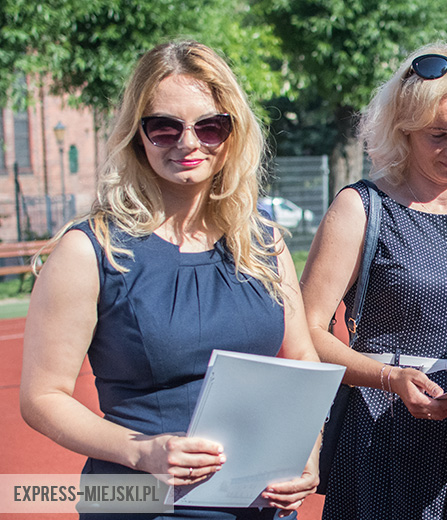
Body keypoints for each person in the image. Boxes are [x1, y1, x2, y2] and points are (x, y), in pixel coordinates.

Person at [20, 40, 320, 520]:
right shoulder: (91, 249)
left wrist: (307, 451)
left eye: (210, 126)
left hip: (257, 504)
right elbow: (42, 397)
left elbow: (301, 359)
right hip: (139, 502)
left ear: (234, 132)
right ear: (137, 135)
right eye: (164, 127)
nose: (189, 143)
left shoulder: (264, 243)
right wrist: (140, 451)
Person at [299, 42, 447, 519]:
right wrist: (390, 378)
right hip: (382, 432)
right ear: (404, 128)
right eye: (437, 135)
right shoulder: (360, 207)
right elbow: (305, 330)